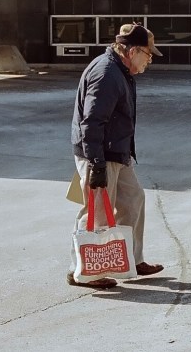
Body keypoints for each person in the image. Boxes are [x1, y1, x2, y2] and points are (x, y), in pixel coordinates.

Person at [68, 23, 164, 288]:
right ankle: (82, 270)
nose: (150, 60)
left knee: (133, 199)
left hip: (117, 152)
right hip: (99, 153)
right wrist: (96, 164)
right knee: (96, 211)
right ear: (132, 51)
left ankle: (130, 259)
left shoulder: (120, 70)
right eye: (148, 54)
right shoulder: (107, 73)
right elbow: (92, 121)